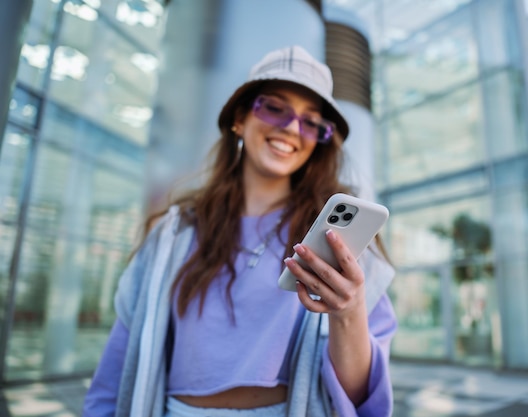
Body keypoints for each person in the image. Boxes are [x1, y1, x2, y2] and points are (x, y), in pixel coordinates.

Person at [82, 45, 397, 417]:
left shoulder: (340, 239)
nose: (292, 128)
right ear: (239, 118)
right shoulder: (173, 234)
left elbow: (362, 401)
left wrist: (348, 311)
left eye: (311, 122)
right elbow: (122, 358)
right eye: (274, 107)